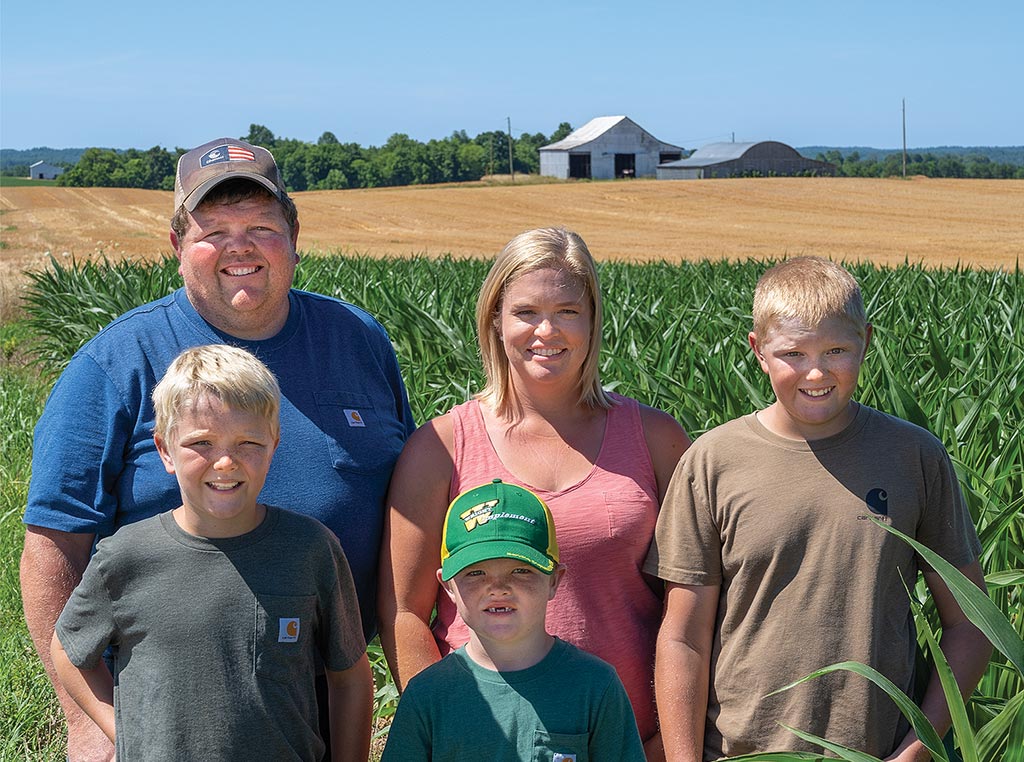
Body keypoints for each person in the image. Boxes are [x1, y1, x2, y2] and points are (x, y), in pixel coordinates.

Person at [21, 137, 414, 761]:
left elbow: (402, 510)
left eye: (262, 225)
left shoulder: (357, 339)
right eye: (215, 229)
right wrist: (91, 722)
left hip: (318, 695)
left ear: (293, 235)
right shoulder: (117, 361)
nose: (241, 246)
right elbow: (54, 544)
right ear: (178, 244)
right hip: (171, 706)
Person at [644, 256, 991, 761]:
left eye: (836, 350)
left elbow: (970, 623)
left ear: (866, 342)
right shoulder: (713, 461)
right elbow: (683, 636)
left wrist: (918, 748)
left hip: (875, 751)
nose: (816, 371)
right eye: (793, 352)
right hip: (740, 750)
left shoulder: (913, 456)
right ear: (758, 351)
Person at [378, 226, 691, 759]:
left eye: (568, 310)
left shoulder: (658, 439)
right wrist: (450, 728)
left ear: (593, 322)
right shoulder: (441, 447)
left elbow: (692, 605)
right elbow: (405, 613)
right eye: (525, 312)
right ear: (495, 321)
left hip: (632, 741)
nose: (547, 330)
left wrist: (671, 742)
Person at [50, 345, 372, 761]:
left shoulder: (312, 550)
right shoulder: (125, 556)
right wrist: (125, 732)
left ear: (274, 444)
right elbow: (68, 650)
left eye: (247, 442)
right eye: (201, 442)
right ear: (165, 450)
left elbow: (350, 679)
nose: (225, 462)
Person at [381, 478, 646, 760]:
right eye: (475, 573)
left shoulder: (595, 685)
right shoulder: (428, 694)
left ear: (555, 580)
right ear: (448, 587)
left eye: (520, 570)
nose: (498, 587)